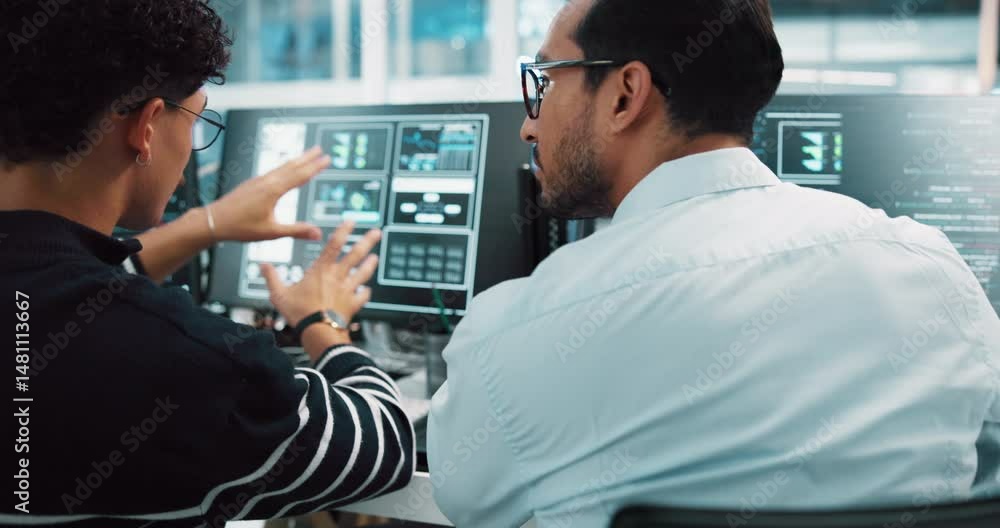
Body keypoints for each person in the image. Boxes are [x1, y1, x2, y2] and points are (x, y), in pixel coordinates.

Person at [427, 0, 1000, 526]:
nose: (529, 123)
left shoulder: (519, 333)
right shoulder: (936, 272)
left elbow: (462, 495)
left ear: (626, 94)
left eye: (546, 82)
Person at [0, 1, 413, 527]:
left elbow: (57, 299)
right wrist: (322, 322)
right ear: (147, 126)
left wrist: (208, 224)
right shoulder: (193, 368)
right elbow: (384, 442)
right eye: (196, 118)